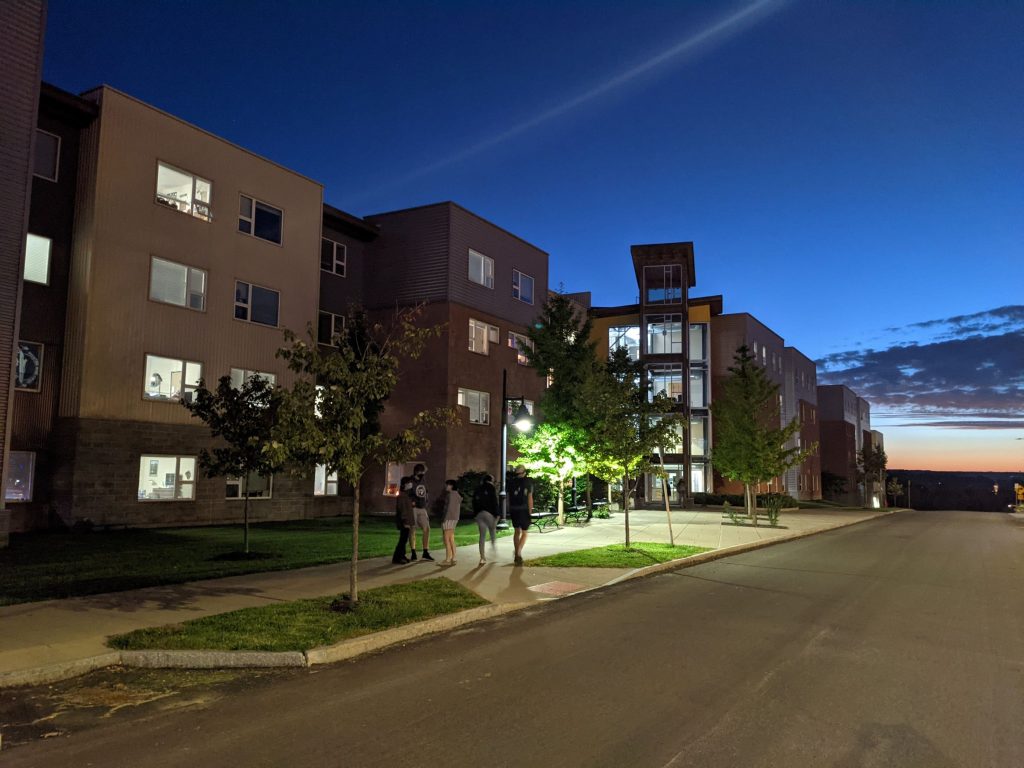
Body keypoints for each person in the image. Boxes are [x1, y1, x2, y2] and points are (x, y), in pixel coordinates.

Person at [507, 465, 533, 565]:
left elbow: (509, 498)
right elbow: (530, 498)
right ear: (524, 472)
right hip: (523, 509)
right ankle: (518, 552)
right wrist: (530, 512)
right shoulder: (528, 482)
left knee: (517, 531)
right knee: (525, 532)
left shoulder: (511, 482)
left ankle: (517, 553)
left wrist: (510, 509)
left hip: (514, 510)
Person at [408, 463, 434, 561]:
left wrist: (426, 501)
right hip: (413, 508)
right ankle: (413, 552)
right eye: (421, 472)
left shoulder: (423, 480)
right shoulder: (410, 481)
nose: (423, 474)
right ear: (416, 472)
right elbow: (406, 493)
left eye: (424, 472)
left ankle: (425, 552)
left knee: (427, 528)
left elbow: (426, 492)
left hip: (422, 508)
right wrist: (411, 502)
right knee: (412, 529)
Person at [472, 473, 499, 565]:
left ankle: (482, 557)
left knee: (482, 536)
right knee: (492, 532)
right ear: (491, 480)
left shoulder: (478, 488)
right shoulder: (491, 488)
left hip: (479, 514)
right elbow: (494, 501)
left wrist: (475, 514)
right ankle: (493, 551)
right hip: (489, 513)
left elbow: (474, 501)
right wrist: (497, 514)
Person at [392, 472, 415, 564]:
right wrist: (405, 521)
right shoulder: (402, 496)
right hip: (404, 521)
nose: (411, 484)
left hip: (407, 521)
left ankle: (402, 555)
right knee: (402, 540)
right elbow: (402, 509)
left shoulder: (406, 495)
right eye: (409, 483)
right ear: (405, 484)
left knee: (404, 540)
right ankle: (397, 557)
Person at [440, 479, 462, 565]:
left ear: (451, 486)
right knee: (451, 538)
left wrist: (444, 519)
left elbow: (448, 508)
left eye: (447, 485)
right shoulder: (457, 495)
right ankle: (453, 557)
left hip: (448, 518)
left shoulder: (450, 495)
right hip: (455, 518)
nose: (446, 486)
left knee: (446, 539)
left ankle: (448, 559)